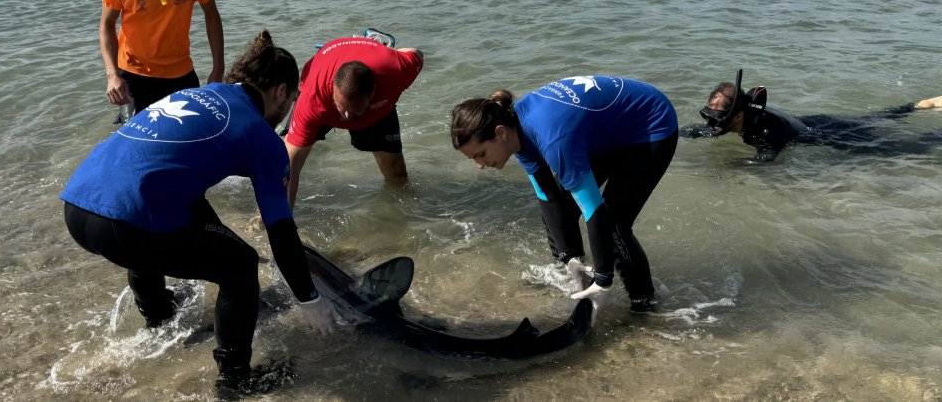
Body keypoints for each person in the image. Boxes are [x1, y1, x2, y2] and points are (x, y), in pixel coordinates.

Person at [61, 31, 338, 393]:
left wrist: (218, 237)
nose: (285, 111)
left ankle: (159, 320)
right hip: (125, 226)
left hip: (78, 205)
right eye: (289, 100)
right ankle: (235, 381)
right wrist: (309, 298)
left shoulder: (199, 94)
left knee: (161, 210)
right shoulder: (261, 136)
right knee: (240, 265)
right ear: (281, 92)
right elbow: (280, 229)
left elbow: (179, 191)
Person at [449, 75, 679, 323]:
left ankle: (644, 306)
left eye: (480, 154)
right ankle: (583, 275)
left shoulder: (552, 139)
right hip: (608, 130)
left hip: (650, 124)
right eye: (474, 159)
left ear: (499, 133)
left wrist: (603, 281)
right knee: (566, 206)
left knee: (614, 225)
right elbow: (548, 198)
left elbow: (594, 209)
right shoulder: (517, 135)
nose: (480, 165)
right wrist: (569, 258)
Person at [692, 69, 942, 163]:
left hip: (826, 134)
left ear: (739, 115)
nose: (711, 125)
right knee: (871, 117)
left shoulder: (766, 133)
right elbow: (699, 130)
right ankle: (917, 106)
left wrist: (732, 167)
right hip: (814, 119)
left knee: (900, 150)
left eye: (717, 119)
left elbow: (764, 161)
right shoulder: (741, 119)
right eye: (708, 116)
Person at [283, 35, 424, 207]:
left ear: (372, 93)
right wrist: (281, 219)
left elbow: (416, 53)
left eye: (355, 110)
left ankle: (406, 213)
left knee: (397, 176)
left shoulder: (395, 72)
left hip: (376, 93)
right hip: (321, 90)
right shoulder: (313, 99)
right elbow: (290, 167)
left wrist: (390, 53)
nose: (347, 117)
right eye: (342, 109)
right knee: (286, 158)